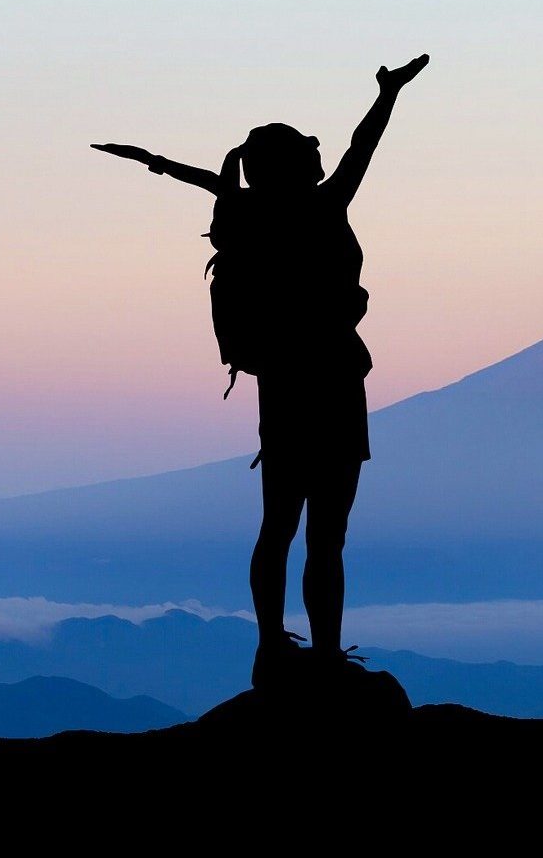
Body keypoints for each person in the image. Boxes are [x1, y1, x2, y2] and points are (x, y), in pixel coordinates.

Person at [94, 54, 429, 687]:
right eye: (309, 156)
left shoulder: (250, 218)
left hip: (281, 388)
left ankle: (271, 646)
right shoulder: (325, 208)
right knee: (327, 534)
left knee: (278, 524)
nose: (320, 161)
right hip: (333, 383)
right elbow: (364, 148)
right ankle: (324, 655)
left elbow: (216, 185)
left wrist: (159, 164)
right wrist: (388, 95)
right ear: (300, 166)